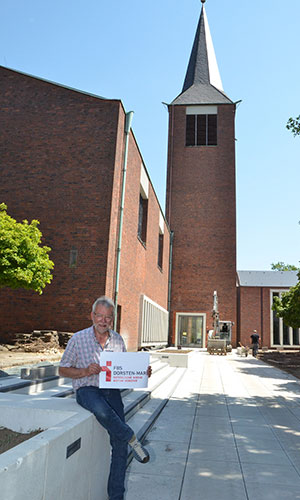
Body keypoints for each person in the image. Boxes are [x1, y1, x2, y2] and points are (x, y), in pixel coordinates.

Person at [59, 296, 151, 500]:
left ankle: (116, 496)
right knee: (101, 410)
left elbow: (124, 371)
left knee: (118, 447)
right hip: (88, 390)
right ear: (92, 316)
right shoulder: (78, 338)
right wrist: (84, 371)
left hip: (111, 391)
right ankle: (131, 437)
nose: (103, 321)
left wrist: (142, 372)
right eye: (99, 316)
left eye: (107, 317)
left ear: (112, 319)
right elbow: (62, 369)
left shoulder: (117, 340)